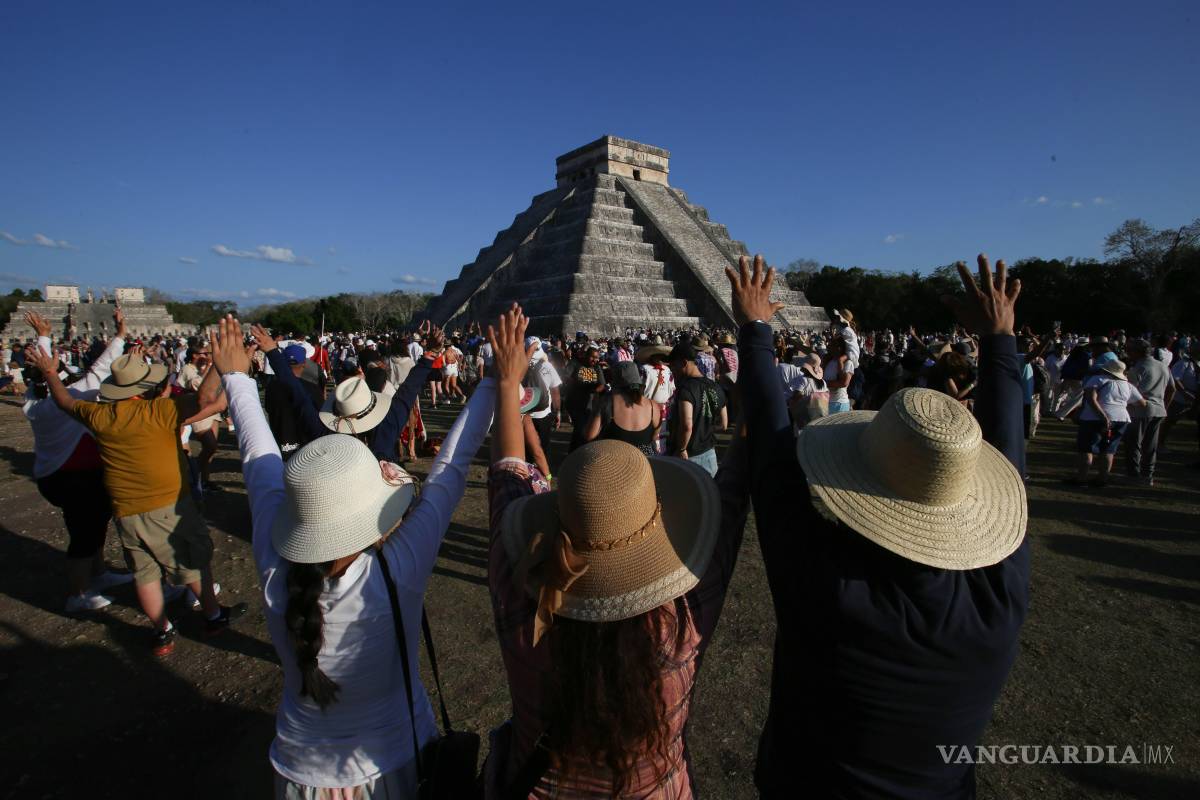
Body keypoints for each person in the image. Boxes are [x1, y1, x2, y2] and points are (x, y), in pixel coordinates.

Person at [732, 253, 1031, 798]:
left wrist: (755, 328)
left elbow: (772, 454)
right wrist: (1000, 341)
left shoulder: (826, 585)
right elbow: (1011, 454)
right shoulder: (997, 598)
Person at [210, 315, 498, 799]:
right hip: (394, 765)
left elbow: (259, 462)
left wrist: (237, 379)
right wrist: (495, 380)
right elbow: (451, 466)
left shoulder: (276, 566)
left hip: (299, 774)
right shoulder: (395, 570)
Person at [482, 304, 751, 797]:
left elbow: (507, 472)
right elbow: (734, 490)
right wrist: (754, 335)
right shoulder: (685, 624)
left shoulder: (523, 599)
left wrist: (506, 383)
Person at [29, 343, 246, 655]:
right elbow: (203, 400)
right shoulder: (158, 411)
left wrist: (51, 373)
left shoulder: (99, 415)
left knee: (145, 574)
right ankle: (213, 616)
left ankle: (162, 630)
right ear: (145, 388)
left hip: (126, 509)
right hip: (168, 505)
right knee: (193, 562)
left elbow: (64, 401)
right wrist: (218, 366)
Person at [22, 310, 134, 612]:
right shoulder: (72, 398)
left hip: (59, 474)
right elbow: (99, 370)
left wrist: (43, 337)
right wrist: (120, 336)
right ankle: (78, 593)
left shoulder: (33, 403)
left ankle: (99, 573)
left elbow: (46, 373)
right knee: (84, 535)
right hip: (76, 478)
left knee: (92, 527)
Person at [1070, 359, 1147, 487]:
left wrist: (1103, 416)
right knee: (1109, 449)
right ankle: (1102, 479)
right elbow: (1142, 403)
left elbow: (1091, 398)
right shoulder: (1127, 385)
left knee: (1087, 448)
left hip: (1094, 418)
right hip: (1121, 419)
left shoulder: (1097, 379)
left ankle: (1081, 478)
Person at [668, 342, 727, 477]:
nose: (673, 370)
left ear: (684, 363)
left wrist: (681, 448)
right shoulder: (715, 386)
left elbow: (687, 425)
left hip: (689, 455)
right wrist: (705, 428)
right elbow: (724, 424)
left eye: (674, 366)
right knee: (710, 489)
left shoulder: (686, 389)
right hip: (710, 454)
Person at [583, 360, 660, 457]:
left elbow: (589, 435)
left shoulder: (606, 402)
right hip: (644, 461)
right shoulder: (653, 406)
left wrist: (595, 409)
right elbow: (654, 436)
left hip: (615, 461)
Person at [1124, 338, 1173, 486]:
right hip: (1159, 409)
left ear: (1136, 352)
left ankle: (1133, 475)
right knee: (1151, 446)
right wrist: (1165, 405)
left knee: (1134, 444)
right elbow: (1172, 388)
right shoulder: (1163, 366)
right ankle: (1147, 475)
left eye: (1130, 351)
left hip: (1140, 410)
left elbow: (1131, 392)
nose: (1128, 353)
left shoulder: (1137, 368)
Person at [524, 336, 563, 462]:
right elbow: (555, 391)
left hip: (524, 414)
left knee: (525, 447)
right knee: (543, 446)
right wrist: (558, 412)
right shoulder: (548, 366)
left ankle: (527, 469)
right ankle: (543, 470)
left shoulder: (518, 367)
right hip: (543, 413)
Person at [565, 344, 605, 453]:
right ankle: (574, 453)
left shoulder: (597, 368)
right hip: (575, 402)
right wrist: (574, 383)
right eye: (592, 357)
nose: (594, 360)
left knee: (582, 430)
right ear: (586, 355)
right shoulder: (575, 363)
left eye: (596, 358)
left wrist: (593, 390)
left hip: (589, 404)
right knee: (580, 428)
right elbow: (565, 376)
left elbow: (602, 385)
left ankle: (576, 452)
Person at [822, 336, 853, 413]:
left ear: (839, 348)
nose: (828, 346)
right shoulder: (829, 361)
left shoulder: (848, 363)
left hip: (839, 404)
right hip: (826, 401)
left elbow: (844, 383)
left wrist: (840, 361)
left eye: (832, 345)